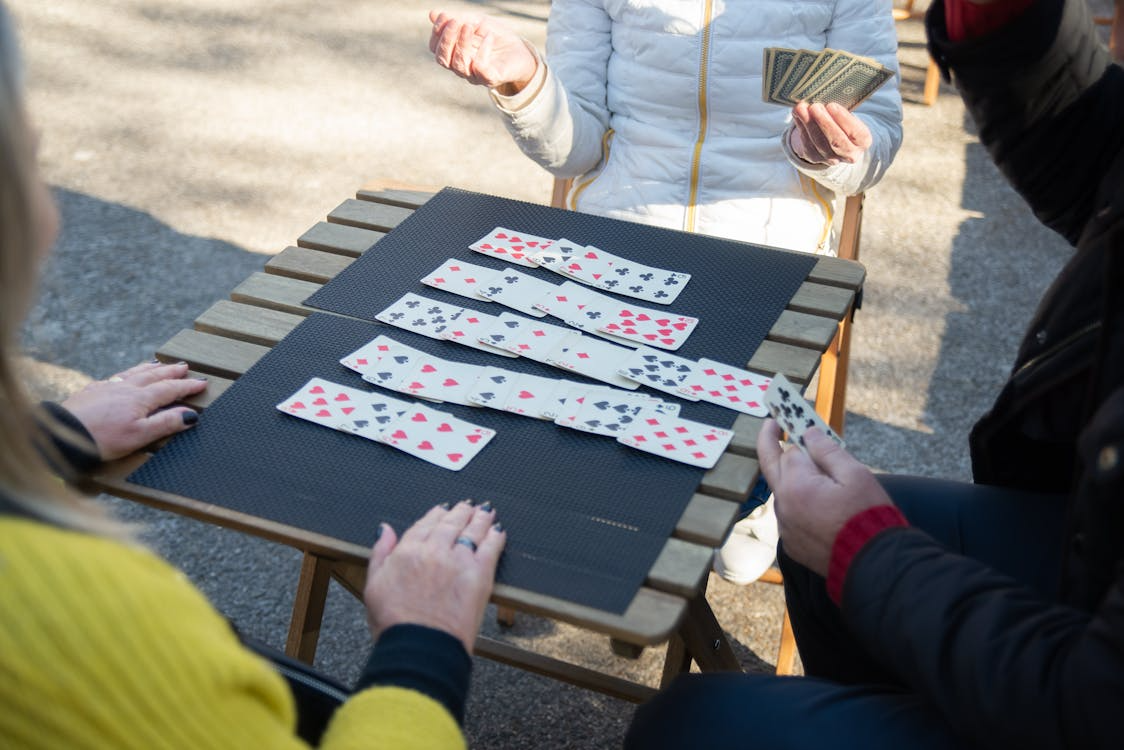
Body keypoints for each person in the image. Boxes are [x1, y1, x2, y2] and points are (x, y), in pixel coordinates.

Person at [0, 4, 505, 747]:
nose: (53, 216)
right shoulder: (85, 621)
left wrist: (46, 442)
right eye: (31, 166)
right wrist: (422, 648)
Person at [623, 0, 1124, 746]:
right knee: (814, 545)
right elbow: (1092, 148)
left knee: (687, 723)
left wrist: (867, 548)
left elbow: (1095, 706)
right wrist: (996, 19)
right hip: (1088, 544)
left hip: (1085, 694)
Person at [429, 0, 903, 586]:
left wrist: (833, 151)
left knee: (717, 440)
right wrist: (525, 80)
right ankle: (677, 488)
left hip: (767, 252)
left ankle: (754, 499)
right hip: (617, 235)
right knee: (542, 418)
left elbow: (876, 136)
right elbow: (575, 150)